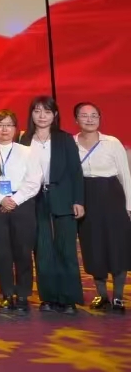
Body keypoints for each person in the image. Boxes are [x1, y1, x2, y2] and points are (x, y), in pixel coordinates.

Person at [21, 95, 84, 314]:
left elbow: (76, 171)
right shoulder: (24, 140)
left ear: (55, 115)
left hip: (63, 197)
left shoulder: (64, 139)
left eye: (47, 112)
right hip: (35, 199)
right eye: (37, 111)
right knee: (42, 249)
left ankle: (69, 299)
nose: (42, 116)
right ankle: (48, 298)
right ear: (31, 114)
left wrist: (78, 200)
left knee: (66, 249)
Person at [72, 102, 131, 312]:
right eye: (84, 115)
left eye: (94, 115)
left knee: (118, 247)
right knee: (93, 247)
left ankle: (118, 297)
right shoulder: (71, 143)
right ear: (76, 119)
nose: (89, 119)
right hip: (85, 198)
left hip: (112, 197)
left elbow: (125, 175)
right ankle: (102, 295)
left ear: (99, 118)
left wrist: (129, 206)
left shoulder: (112, 142)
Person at [0, 109, 38, 314]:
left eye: (8, 125)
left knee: (23, 251)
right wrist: (1, 199)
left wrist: (14, 200)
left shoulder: (27, 151)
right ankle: (6, 294)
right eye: (0, 125)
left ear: (16, 129)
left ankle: (23, 295)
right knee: (2, 252)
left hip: (22, 204)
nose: (4, 129)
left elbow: (34, 180)